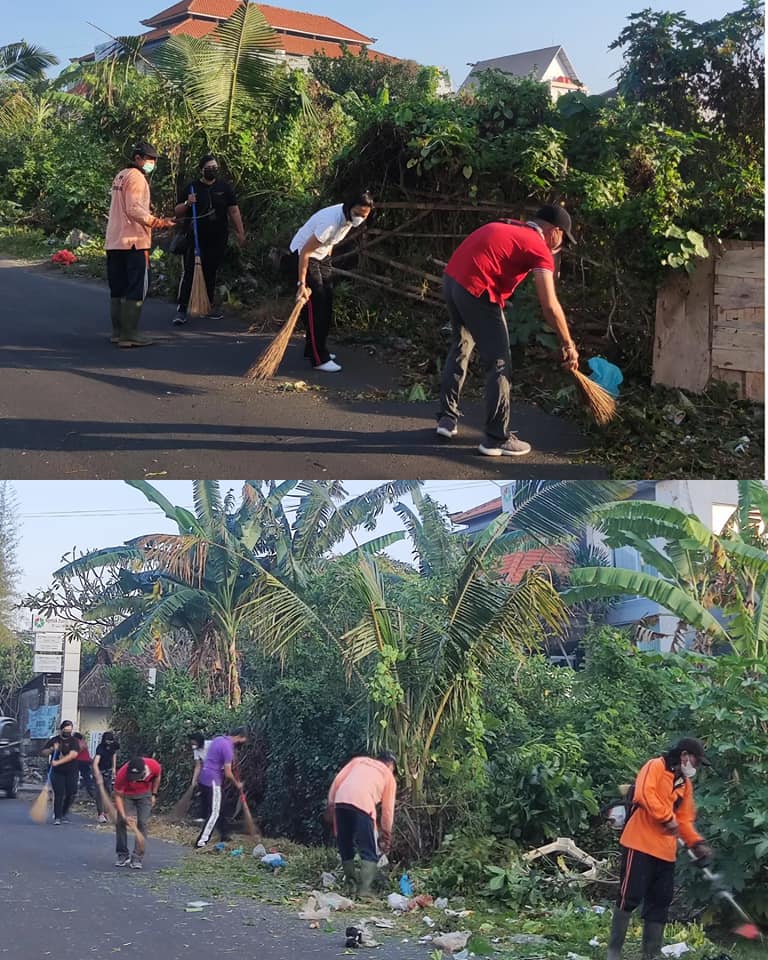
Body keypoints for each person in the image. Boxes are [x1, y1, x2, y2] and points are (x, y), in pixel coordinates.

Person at [436, 204, 581, 457]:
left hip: (452, 280)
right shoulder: (539, 248)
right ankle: (496, 438)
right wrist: (568, 344)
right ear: (554, 231)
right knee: (500, 363)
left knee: (460, 346)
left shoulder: (512, 226)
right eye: (563, 240)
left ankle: (446, 419)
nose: (561, 246)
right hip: (478, 289)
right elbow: (550, 305)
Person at [608, 738, 713, 960]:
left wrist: (696, 843)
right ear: (684, 755)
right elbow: (644, 795)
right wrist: (666, 817)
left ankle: (651, 954)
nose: (695, 767)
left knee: (660, 903)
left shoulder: (685, 784)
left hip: (665, 851)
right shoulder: (655, 766)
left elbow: (684, 819)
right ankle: (614, 951)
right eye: (695, 761)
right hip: (639, 842)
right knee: (629, 896)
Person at [290, 191, 374, 372]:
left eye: (364, 215)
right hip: (302, 256)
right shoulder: (330, 221)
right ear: (349, 206)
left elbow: (330, 243)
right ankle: (318, 358)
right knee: (316, 305)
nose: (360, 218)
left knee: (327, 300)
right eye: (358, 213)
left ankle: (313, 348)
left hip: (321, 257)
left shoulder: (348, 220)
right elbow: (304, 252)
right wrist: (302, 284)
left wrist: (326, 265)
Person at [105, 141, 176, 348]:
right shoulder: (137, 178)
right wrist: (159, 222)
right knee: (136, 287)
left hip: (115, 241)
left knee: (117, 288)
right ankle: (130, 333)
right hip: (134, 242)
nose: (152, 162)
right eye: (148, 159)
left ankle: (118, 332)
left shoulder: (121, 175)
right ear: (137, 158)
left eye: (153, 159)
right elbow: (134, 209)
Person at [173, 154, 246, 325]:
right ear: (202, 169)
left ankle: (207, 306)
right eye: (209, 167)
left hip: (218, 237)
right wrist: (188, 203)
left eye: (215, 167)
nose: (212, 170)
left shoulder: (224, 187)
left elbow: (234, 210)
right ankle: (182, 309)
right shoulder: (192, 187)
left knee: (211, 272)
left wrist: (240, 232)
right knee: (190, 272)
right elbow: (177, 212)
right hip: (196, 238)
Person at [327, 751, 397, 898]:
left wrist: (331, 805)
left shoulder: (358, 761)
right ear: (390, 765)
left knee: (345, 844)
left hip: (341, 799)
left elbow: (337, 781)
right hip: (363, 805)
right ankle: (364, 891)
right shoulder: (388, 776)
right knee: (368, 849)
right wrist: (386, 835)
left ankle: (350, 886)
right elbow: (387, 811)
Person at [194, 727, 249, 849]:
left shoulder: (218, 739)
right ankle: (201, 842)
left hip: (204, 777)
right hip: (213, 780)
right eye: (243, 740)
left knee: (221, 806)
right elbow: (228, 773)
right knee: (214, 812)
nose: (243, 743)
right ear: (239, 736)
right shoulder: (228, 748)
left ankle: (224, 834)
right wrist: (237, 784)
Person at [113, 754, 162, 869]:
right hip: (127, 795)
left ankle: (137, 858)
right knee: (120, 822)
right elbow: (118, 796)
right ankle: (122, 855)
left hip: (145, 795)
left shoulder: (154, 766)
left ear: (144, 771)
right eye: (132, 777)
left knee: (142, 823)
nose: (134, 780)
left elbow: (157, 776)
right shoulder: (122, 773)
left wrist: (154, 794)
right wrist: (125, 816)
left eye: (137, 777)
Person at [41, 720, 81, 825]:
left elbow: (73, 755)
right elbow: (44, 752)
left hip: (71, 771)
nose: (67, 732)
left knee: (71, 793)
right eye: (66, 730)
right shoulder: (55, 740)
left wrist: (58, 762)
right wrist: (51, 749)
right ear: (61, 730)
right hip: (57, 772)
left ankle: (63, 813)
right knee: (59, 793)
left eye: (69, 730)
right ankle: (57, 817)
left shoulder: (74, 741)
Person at [92, 731, 119, 824]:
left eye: (110, 741)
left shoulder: (114, 746)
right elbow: (95, 763)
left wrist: (114, 768)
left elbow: (114, 755)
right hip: (99, 770)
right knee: (100, 793)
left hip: (108, 770)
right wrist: (97, 775)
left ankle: (107, 813)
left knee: (108, 791)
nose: (109, 743)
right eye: (107, 741)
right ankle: (100, 814)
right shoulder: (100, 748)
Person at [187, 731, 211, 822]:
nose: (192, 744)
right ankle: (203, 816)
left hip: (217, 772)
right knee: (203, 794)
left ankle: (212, 817)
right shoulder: (196, 750)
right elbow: (198, 765)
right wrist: (194, 780)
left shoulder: (210, 745)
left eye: (194, 742)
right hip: (206, 773)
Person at [73, 733, 97, 805]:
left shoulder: (78, 742)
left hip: (80, 761)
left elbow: (78, 750)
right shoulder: (83, 742)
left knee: (76, 777)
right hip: (85, 761)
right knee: (86, 777)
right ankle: (91, 793)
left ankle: (89, 792)